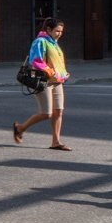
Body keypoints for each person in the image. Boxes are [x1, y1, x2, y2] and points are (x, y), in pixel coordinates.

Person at [12, 18, 71, 151]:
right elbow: (36, 61)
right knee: (47, 113)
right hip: (43, 81)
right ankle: (20, 128)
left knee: (59, 112)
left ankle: (56, 142)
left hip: (57, 82)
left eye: (61, 31)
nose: (60, 34)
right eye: (57, 31)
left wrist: (64, 74)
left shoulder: (54, 43)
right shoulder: (40, 42)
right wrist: (51, 72)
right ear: (48, 30)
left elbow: (57, 63)